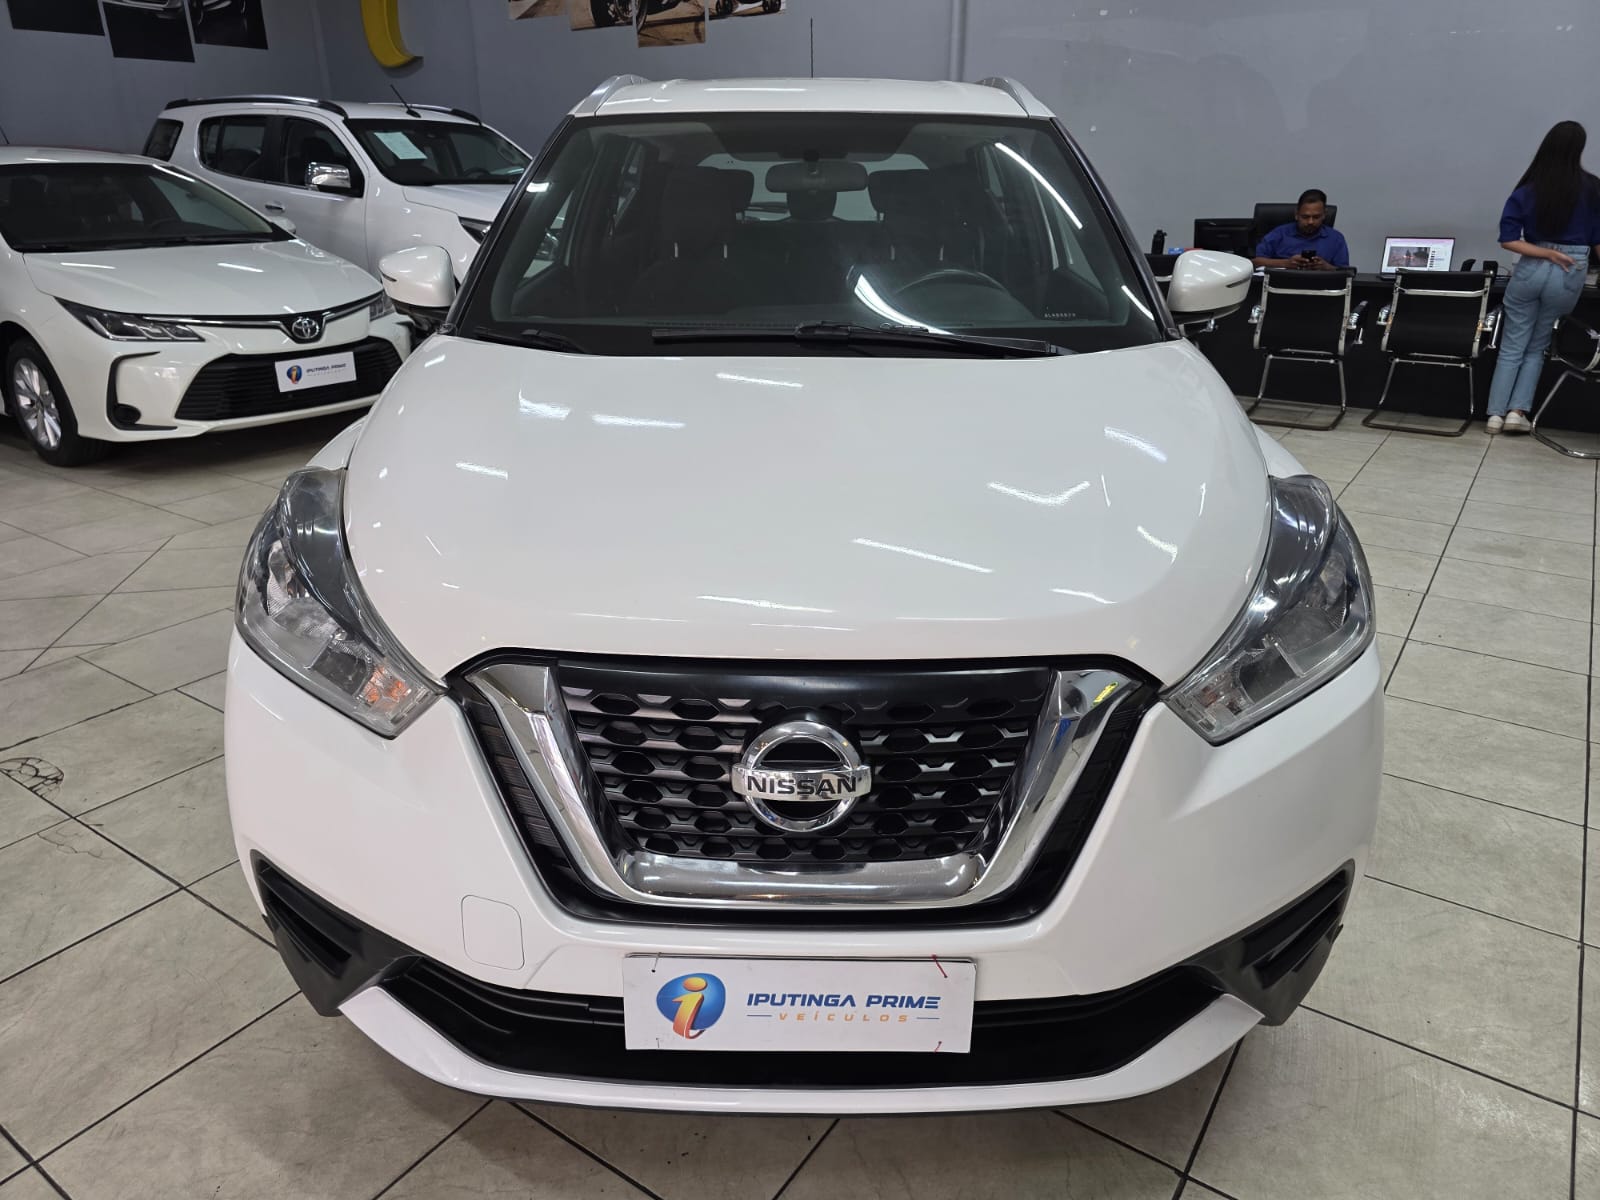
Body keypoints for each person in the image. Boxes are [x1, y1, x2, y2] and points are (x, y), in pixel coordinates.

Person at [1486, 121, 1600, 434]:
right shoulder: (1593, 188)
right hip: (1570, 268)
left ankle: (1494, 415)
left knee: (1512, 345)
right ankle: (1517, 413)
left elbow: (1508, 240)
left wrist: (1546, 253)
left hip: (1530, 268)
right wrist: (1559, 256)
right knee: (1537, 346)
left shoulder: (1527, 189)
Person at [1253, 189, 1351, 271]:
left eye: (1316, 217)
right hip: (1282, 284)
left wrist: (1327, 267)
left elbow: (1345, 272)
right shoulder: (1279, 234)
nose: (1310, 222)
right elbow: (1255, 262)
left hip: (1321, 286)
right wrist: (1286, 263)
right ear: (1296, 214)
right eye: (1305, 217)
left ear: (1324, 215)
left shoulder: (1336, 238)